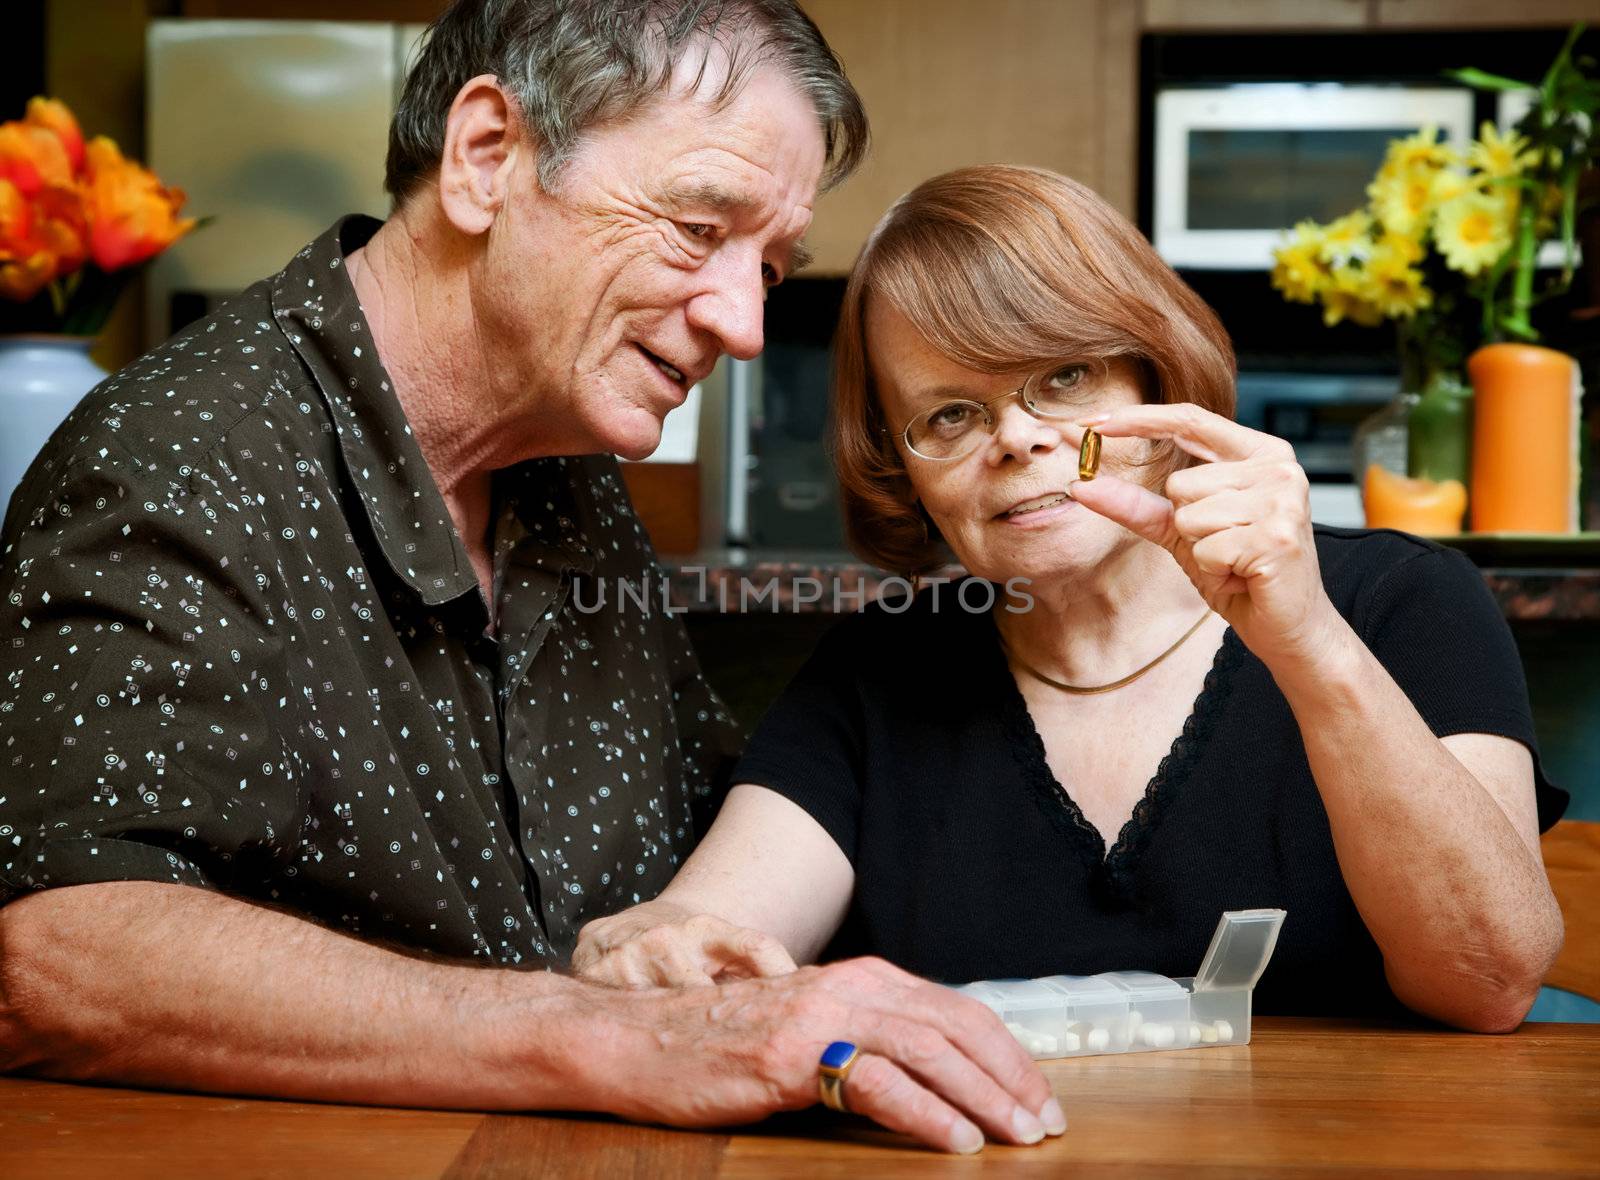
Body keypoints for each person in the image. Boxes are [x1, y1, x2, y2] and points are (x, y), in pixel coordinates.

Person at [0, 4, 1067, 1157]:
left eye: (767, 265)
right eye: (698, 225)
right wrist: (608, 1037)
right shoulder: (182, 454)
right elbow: (57, 951)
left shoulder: (563, 467)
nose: (746, 322)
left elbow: (699, 849)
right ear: (486, 158)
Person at [574, 164, 1570, 1033]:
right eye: (951, 413)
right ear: (903, 468)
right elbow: (706, 933)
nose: (1015, 439)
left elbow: (1484, 982)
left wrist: (1305, 639)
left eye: (1062, 377)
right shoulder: (883, 670)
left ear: (1154, 376)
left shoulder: (1401, 603)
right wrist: (645, 946)